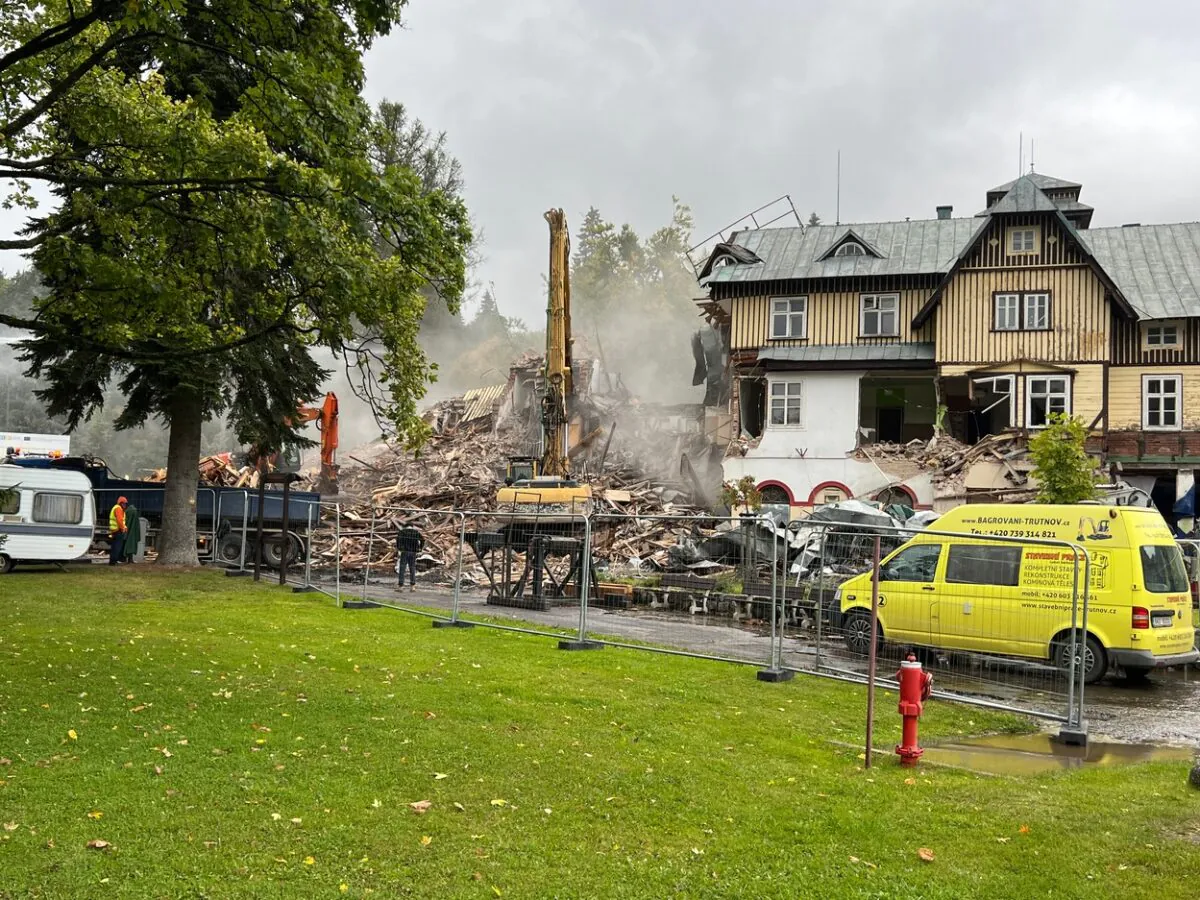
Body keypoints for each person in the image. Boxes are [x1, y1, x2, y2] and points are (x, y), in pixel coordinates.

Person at [395, 520, 424, 591]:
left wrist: (399, 548)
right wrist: (420, 548)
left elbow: (398, 541)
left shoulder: (402, 532)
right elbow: (423, 540)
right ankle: (412, 586)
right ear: (412, 526)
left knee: (402, 569)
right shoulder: (416, 532)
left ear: (405, 526)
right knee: (412, 568)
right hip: (413, 552)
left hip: (404, 551)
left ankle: (401, 586)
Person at [108, 496, 129, 566]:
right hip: (118, 531)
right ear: (121, 503)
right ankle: (114, 561)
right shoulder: (118, 509)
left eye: (126, 504)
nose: (125, 505)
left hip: (114, 530)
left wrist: (124, 527)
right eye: (124, 504)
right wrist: (123, 528)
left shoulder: (116, 508)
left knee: (114, 546)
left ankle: (112, 561)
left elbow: (122, 521)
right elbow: (119, 520)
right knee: (117, 547)